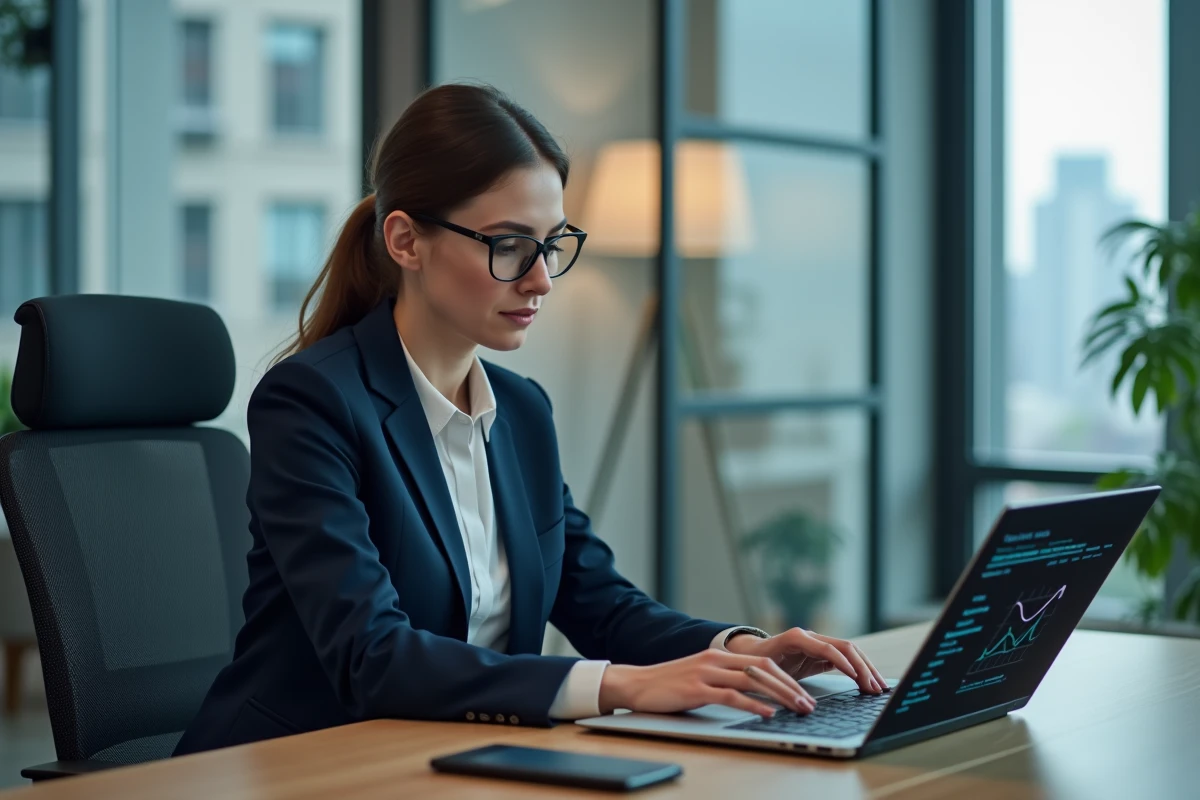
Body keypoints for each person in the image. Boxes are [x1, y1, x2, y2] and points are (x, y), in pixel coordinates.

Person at [174, 83, 887, 756]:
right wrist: (622, 686)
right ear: (405, 241)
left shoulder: (521, 409)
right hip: (300, 764)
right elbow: (373, 657)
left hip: (454, 756)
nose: (542, 279)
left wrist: (737, 650)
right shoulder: (312, 402)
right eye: (510, 246)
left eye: (550, 245)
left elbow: (599, 604)